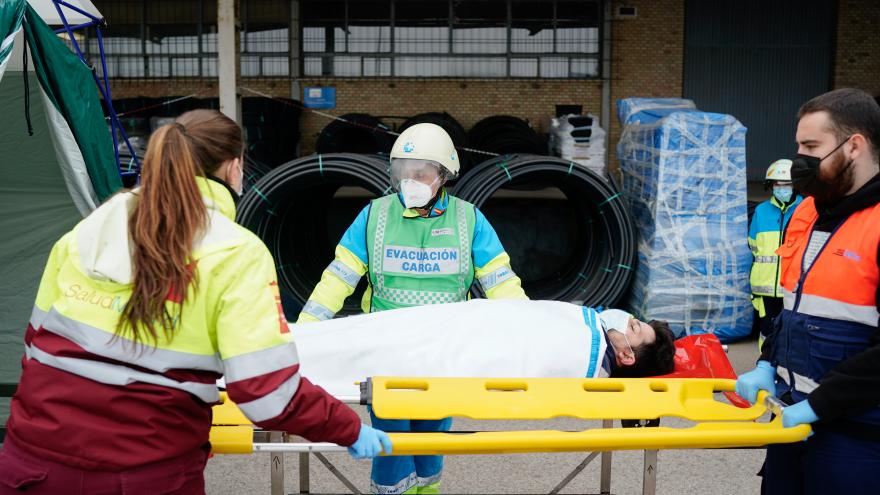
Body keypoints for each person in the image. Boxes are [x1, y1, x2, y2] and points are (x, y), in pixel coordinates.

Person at [0, 110, 390, 495]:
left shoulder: (90, 229)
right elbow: (267, 394)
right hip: (142, 472)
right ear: (235, 167)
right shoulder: (235, 252)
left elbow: (36, 344)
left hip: (32, 463)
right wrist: (348, 428)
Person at [297, 123, 528, 494]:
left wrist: (532, 331)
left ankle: (427, 490)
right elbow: (337, 279)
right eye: (403, 173)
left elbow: (502, 283)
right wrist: (304, 331)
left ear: (444, 175)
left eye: (420, 173)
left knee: (433, 437)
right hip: (387, 352)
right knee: (392, 439)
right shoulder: (374, 216)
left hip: (445, 352)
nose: (411, 181)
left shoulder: (469, 220)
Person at [736, 88, 880, 494]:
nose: (799, 158)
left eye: (811, 146)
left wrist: (819, 405)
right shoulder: (810, 212)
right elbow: (795, 308)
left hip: (857, 435)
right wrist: (768, 362)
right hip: (793, 419)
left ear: (854, 147)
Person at [290, 300, 677, 398]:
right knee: (367, 334)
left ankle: (290, 353)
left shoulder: (582, 351)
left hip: (446, 346)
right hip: (448, 322)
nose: (625, 318)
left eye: (633, 326)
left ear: (627, 355)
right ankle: (295, 344)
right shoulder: (584, 321)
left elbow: (520, 349)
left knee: (369, 348)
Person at [748, 159, 803, 349]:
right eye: (778, 184)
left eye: (787, 184)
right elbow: (753, 245)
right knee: (767, 331)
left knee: (791, 333)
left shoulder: (806, 210)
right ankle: (765, 367)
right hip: (765, 286)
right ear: (770, 185)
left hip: (793, 287)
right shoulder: (761, 211)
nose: (783, 188)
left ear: (795, 185)